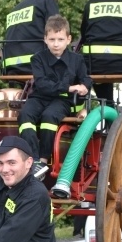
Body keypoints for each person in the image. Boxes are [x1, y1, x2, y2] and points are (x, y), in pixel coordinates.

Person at [19, 15, 91, 178]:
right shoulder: (37, 59)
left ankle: (43, 160)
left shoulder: (77, 60)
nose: (56, 44)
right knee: (25, 115)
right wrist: (70, 87)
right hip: (39, 97)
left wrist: (85, 87)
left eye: (60, 39)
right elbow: (43, 84)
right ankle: (33, 159)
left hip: (62, 101)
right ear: (45, 39)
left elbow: (86, 78)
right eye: (52, 39)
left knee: (49, 116)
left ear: (68, 39)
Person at [2, 0, 67, 75]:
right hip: (36, 65)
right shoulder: (47, 1)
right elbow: (57, 33)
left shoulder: (15, 9)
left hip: (11, 67)